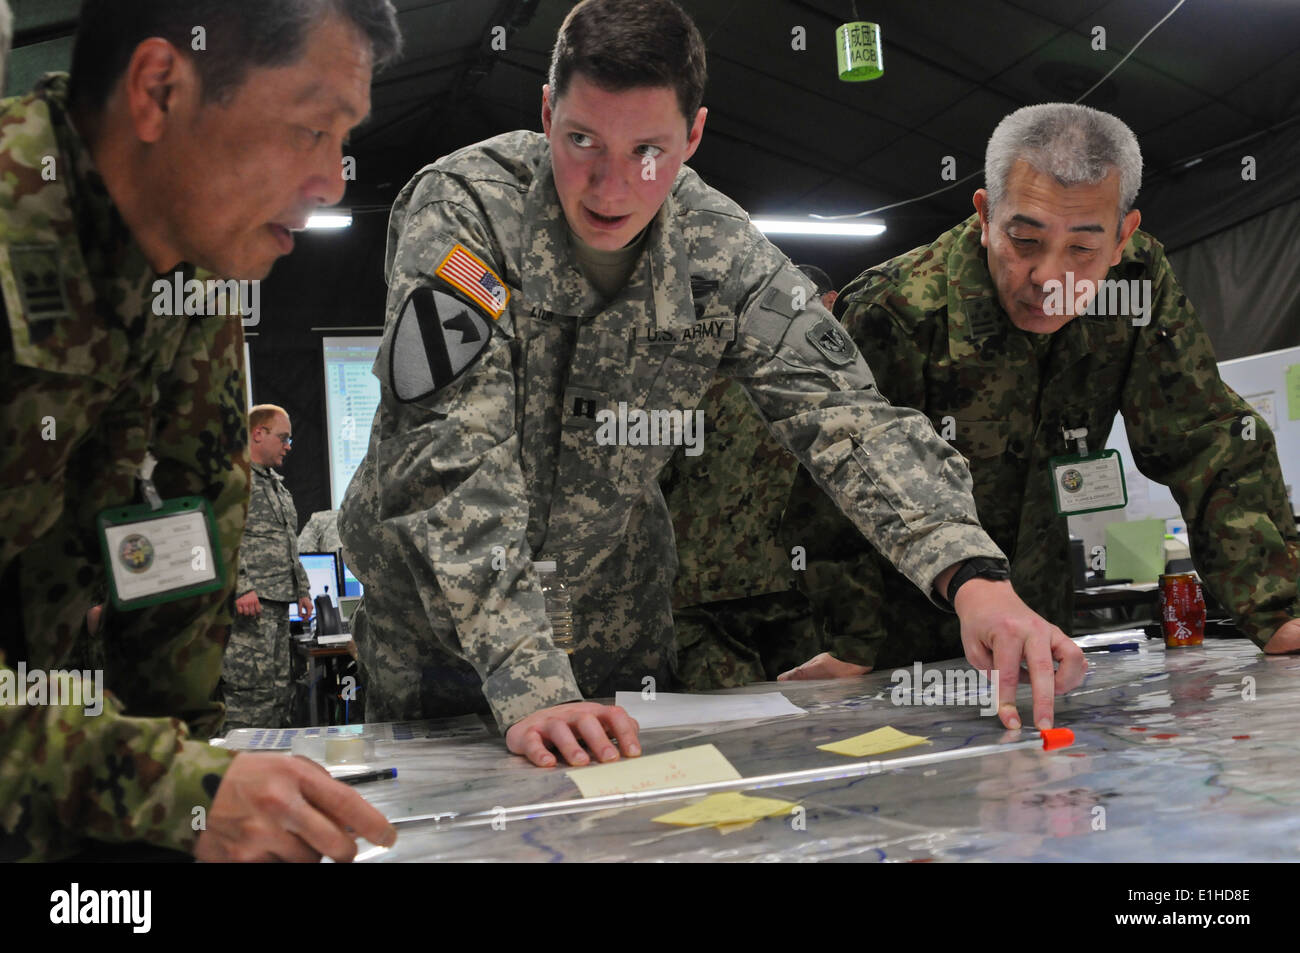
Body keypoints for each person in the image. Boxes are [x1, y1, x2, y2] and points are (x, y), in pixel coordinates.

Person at [340, 0, 1084, 772]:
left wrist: (972, 573)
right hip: (439, 632)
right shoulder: (468, 211)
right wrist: (531, 680)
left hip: (611, 631)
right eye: (582, 140)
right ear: (545, 112)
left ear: (693, 137)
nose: (610, 185)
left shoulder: (721, 253)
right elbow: (447, 451)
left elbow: (847, 415)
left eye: (648, 151)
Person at [0, 0, 401, 863]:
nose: (334, 180)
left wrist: (199, 808)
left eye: (344, 138)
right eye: (308, 129)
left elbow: (182, 555)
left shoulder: (196, 277)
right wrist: (177, 787)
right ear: (158, 90)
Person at [784, 102, 1300, 677]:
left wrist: (1276, 607)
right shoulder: (899, 310)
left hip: (1042, 629)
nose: (1050, 278)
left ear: (1124, 236)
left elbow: (1205, 437)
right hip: (898, 645)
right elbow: (838, 482)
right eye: (1024, 240)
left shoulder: (1136, 283)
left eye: (1083, 249)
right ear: (984, 215)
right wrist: (855, 647)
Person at [662, 263, 848, 691]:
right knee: (801, 720)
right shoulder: (832, 381)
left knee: (752, 727)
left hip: (724, 589)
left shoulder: (693, 370)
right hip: (751, 594)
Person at [222, 405, 314, 730]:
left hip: (277, 606)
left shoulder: (277, 485)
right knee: (250, 695)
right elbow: (223, 535)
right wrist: (242, 586)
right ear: (258, 433)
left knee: (278, 693)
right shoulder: (235, 479)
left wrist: (302, 591)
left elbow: (289, 542)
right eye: (283, 437)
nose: (288, 446)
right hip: (250, 607)